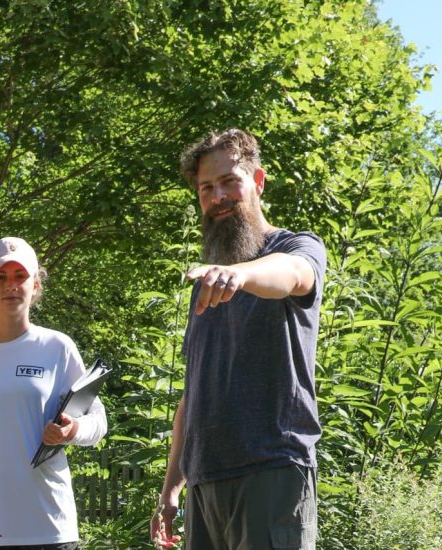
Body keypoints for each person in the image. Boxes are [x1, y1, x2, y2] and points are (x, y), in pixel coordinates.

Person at [152, 129, 326, 550]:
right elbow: (193, 393)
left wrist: (239, 275)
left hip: (271, 471)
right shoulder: (208, 283)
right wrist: (171, 488)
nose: (218, 196)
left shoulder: (296, 246)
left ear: (258, 181)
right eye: (206, 188)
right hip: (205, 483)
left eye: (230, 181)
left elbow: (293, 275)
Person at [0, 237, 108, 549]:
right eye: (1, 277)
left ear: (35, 285)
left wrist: (72, 430)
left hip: (50, 527)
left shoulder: (58, 347)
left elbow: (98, 421)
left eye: (20, 276)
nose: (11, 285)